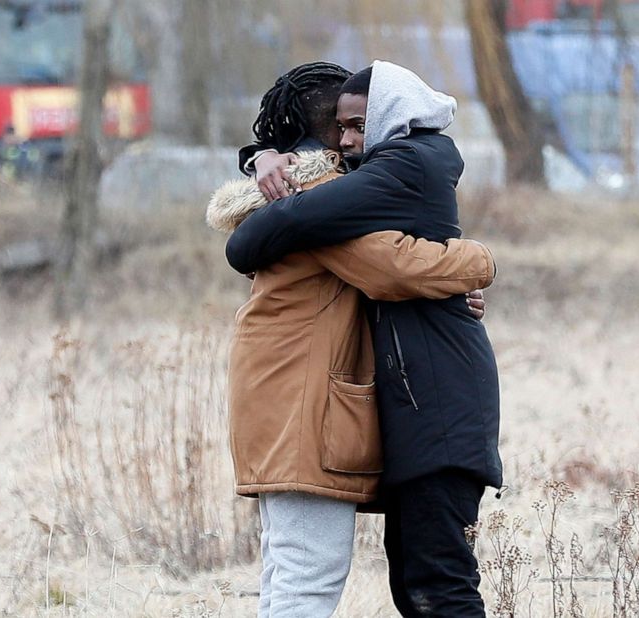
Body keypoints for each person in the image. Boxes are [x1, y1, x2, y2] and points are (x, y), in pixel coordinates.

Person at [213, 62, 497, 618]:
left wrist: (260, 157)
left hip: (285, 393)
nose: (353, 138)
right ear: (329, 131)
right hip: (303, 401)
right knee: (307, 575)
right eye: (346, 126)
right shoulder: (319, 194)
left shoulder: (293, 188)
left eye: (360, 123)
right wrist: (479, 261)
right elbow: (392, 267)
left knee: (286, 567)